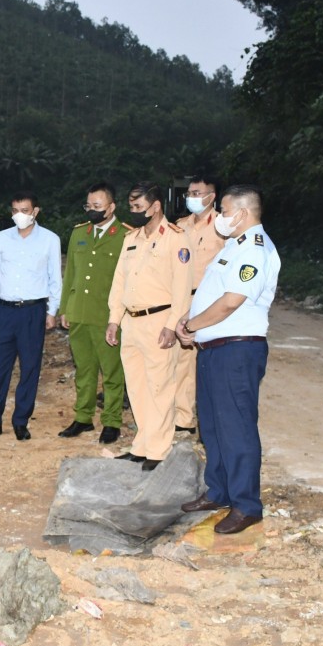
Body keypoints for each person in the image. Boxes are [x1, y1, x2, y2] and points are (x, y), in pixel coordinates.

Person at [175, 185, 280, 535]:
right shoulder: (233, 246)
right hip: (213, 348)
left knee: (236, 429)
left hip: (237, 350)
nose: (219, 217)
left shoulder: (255, 249)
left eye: (223, 210)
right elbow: (211, 294)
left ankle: (246, 505)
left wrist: (190, 325)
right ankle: (219, 491)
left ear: (243, 213)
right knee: (213, 427)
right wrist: (189, 321)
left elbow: (231, 301)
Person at [106, 183, 192, 470]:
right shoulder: (131, 238)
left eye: (139, 207)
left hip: (159, 322)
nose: (134, 212)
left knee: (160, 388)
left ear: (155, 207)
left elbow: (182, 290)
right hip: (131, 323)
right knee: (138, 387)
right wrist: (114, 319)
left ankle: (159, 450)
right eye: (131, 207)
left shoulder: (176, 239)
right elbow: (120, 282)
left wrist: (172, 326)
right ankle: (142, 446)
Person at [0, 191, 62, 442]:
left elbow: (55, 277)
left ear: (35, 211)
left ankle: (21, 421)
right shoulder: (2, 238)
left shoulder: (49, 240)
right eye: (15, 211)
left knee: (30, 368)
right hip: (5, 311)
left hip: (33, 311)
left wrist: (52, 310)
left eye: (24, 210)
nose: (19, 215)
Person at [57, 183, 131, 444]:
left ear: (111, 207)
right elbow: (71, 276)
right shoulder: (79, 233)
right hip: (79, 314)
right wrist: (65, 308)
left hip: (107, 316)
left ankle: (111, 421)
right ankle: (83, 418)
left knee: (112, 372)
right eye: (88, 206)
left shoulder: (126, 236)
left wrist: (120, 316)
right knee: (84, 370)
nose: (92, 210)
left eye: (97, 206)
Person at [173, 175, 226, 434]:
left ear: (212, 196)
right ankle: (183, 419)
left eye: (198, 193)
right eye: (190, 193)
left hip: (208, 301)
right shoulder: (179, 226)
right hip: (179, 298)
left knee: (207, 360)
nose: (192, 197)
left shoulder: (223, 227)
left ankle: (209, 420)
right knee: (182, 358)